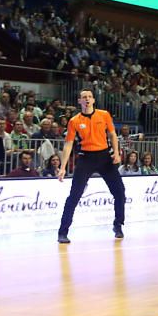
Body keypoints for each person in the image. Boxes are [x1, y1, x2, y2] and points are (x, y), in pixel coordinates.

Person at [57, 89, 125, 243]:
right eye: (83, 97)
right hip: (86, 158)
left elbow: (113, 134)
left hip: (105, 157)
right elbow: (68, 144)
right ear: (79, 101)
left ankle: (118, 224)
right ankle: (63, 232)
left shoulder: (104, 115)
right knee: (74, 195)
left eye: (89, 97)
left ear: (93, 100)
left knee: (119, 192)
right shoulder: (74, 121)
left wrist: (116, 153)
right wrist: (62, 167)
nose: (87, 99)